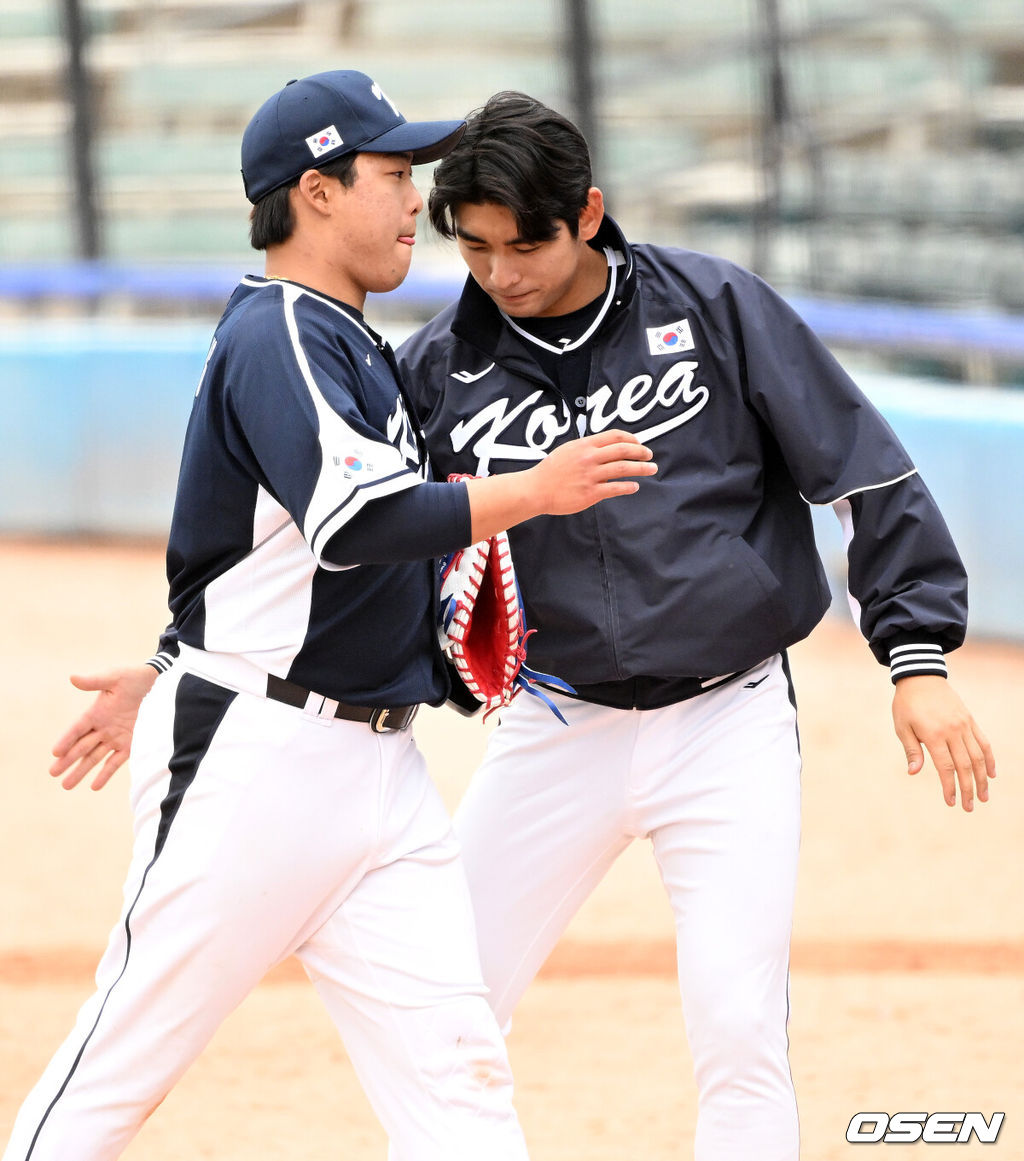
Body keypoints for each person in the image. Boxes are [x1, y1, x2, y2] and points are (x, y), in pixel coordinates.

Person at [43, 92, 994, 1161]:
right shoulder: (434, 367)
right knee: (457, 1018)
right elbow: (317, 540)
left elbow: (863, 471)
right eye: (475, 247)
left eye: (525, 243)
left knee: (737, 1029)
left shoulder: (715, 306)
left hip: (727, 722)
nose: (502, 273)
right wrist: (173, 666)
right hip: (556, 726)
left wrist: (916, 659)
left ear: (586, 215)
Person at [2, 75, 655, 1161]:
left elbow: (258, 548)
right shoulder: (285, 336)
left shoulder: (348, 346)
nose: (417, 198)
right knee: (118, 1069)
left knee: (460, 1082)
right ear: (315, 191)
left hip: (377, 774)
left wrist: (164, 665)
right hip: (257, 766)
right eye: (394, 174)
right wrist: (533, 489)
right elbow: (358, 523)